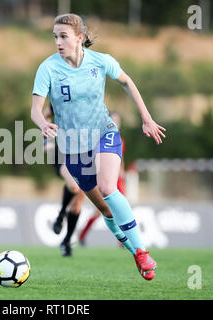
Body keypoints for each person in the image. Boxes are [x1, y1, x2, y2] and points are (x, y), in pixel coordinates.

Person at [31, 14, 166, 280]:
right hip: (72, 149)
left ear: (79, 38)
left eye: (64, 36)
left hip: (104, 133)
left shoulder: (101, 61)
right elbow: (36, 108)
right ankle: (135, 254)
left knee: (108, 188)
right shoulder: (48, 68)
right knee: (105, 209)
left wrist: (146, 117)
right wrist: (42, 125)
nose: (58, 42)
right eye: (55, 37)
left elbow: (127, 82)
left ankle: (141, 251)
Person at [43, 103, 86, 257]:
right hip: (62, 152)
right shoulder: (60, 96)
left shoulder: (90, 99)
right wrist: (45, 141)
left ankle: (66, 241)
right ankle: (61, 215)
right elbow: (45, 115)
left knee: (76, 206)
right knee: (74, 186)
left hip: (85, 154)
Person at [78, 112, 126, 247]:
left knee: (121, 208)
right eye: (113, 120)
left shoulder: (120, 139)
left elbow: (120, 159)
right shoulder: (101, 138)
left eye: (118, 121)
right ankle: (82, 234)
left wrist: (122, 170)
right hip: (107, 178)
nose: (116, 123)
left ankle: (123, 240)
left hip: (118, 180)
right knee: (102, 210)